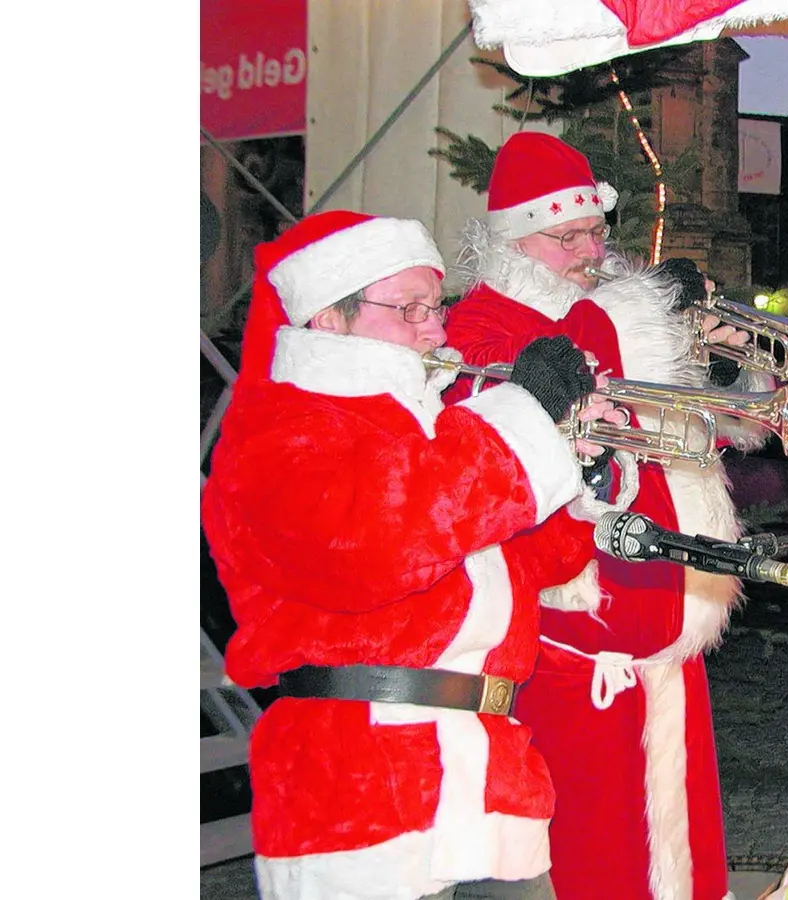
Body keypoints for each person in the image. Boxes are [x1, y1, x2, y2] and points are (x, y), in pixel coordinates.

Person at [202, 209, 624, 900]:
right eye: (410, 309)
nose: (436, 328)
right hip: (361, 782)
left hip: (487, 770)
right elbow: (376, 547)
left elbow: (515, 563)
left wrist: (584, 481)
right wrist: (520, 421)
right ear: (327, 321)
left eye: (437, 307)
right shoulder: (274, 434)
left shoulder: (435, 433)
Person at [443, 132, 765, 900]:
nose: (592, 249)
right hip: (570, 655)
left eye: (596, 231)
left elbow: (722, 430)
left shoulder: (611, 311)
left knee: (680, 868)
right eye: (568, 237)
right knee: (597, 865)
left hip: (663, 644)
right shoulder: (480, 330)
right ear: (514, 241)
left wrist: (712, 354)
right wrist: (637, 312)